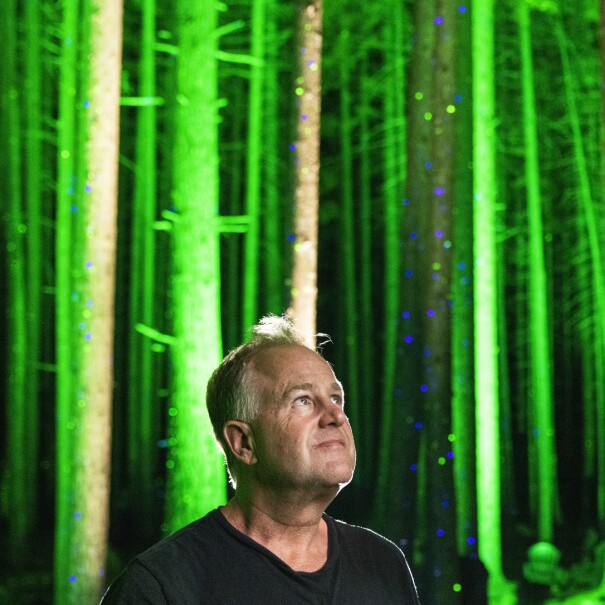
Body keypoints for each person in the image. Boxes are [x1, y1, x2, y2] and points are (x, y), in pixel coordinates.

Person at [101, 315, 421, 604]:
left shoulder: (382, 562)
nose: (335, 415)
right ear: (243, 443)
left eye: (336, 398)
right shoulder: (160, 586)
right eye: (303, 400)